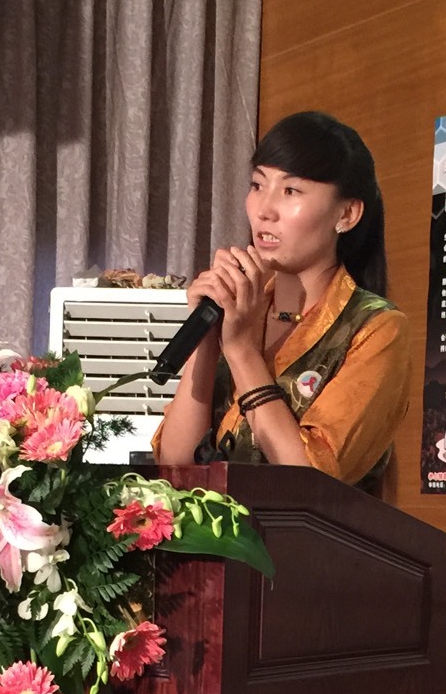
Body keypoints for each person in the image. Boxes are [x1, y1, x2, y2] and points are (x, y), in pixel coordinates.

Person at [153, 111, 410, 485]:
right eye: (257, 185)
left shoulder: (377, 329)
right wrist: (207, 341)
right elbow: (175, 469)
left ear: (347, 214)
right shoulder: (240, 307)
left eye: (290, 191)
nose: (264, 210)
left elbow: (311, 482)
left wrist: (241, 351)